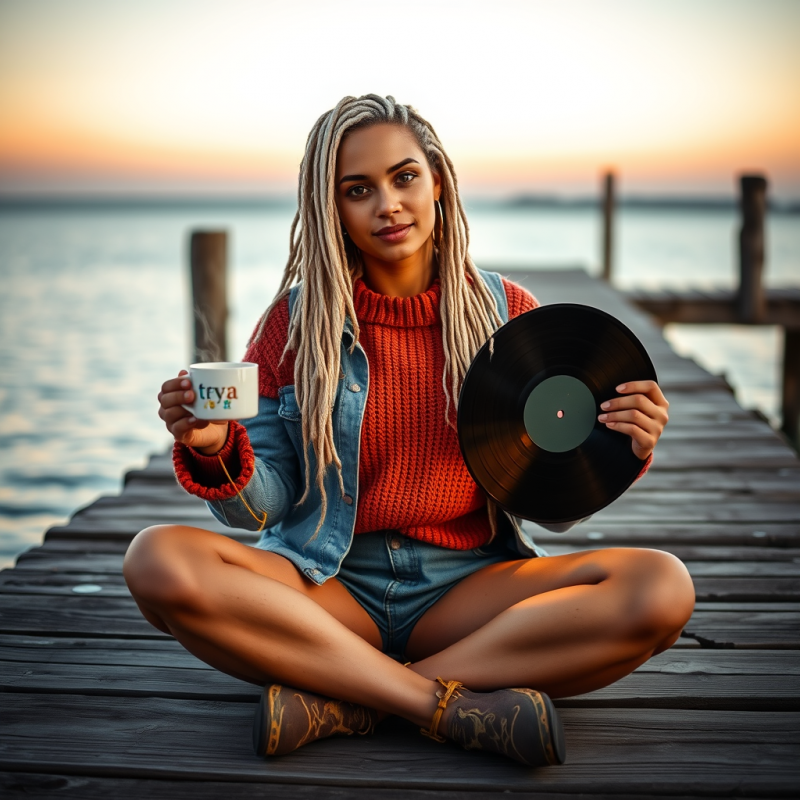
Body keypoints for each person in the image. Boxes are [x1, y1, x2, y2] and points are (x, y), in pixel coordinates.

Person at [123, 94, 694, 769]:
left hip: (468, 588)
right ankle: (438, 705)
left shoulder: (507, 313)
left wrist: (621, 444)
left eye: (404, 177)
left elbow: (551, 508)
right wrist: (216, 449)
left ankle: (349, 699)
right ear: (330, 208)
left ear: (438, 181)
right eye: (357, 189)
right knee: (154, 559)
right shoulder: (291, 326)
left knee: (662, 588)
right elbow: (262, 510)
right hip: (325, 587)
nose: (387, 205)